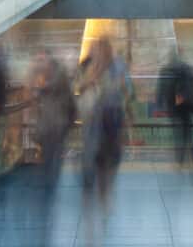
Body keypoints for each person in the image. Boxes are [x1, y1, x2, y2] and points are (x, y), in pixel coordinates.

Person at [77, 37, 131, 245]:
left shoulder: (112, 67)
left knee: (103, 167)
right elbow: (79, 89)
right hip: (99, 128)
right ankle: (102, 202)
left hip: (104, 127)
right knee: (100, 167)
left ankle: (102, 201)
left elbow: (124, 91)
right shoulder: (91, 67)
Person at [27, 51, 75, 242]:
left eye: (42, 61)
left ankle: (49, 184)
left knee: (51, 157)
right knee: (51, 157)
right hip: (54, 126)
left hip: (54, 125)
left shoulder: (54, 81)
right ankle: (49, 183)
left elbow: (49, 95)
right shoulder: (54, 81)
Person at [156, 55, 193, 166]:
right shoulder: (186, 68)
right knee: (188, 131)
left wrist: (159, 104)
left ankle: (180, 158)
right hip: (186, 105)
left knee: (177, 132)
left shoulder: (165, 70)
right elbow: (191, 85)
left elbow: (160, 88)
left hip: (172, 106)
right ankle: (192, 156)